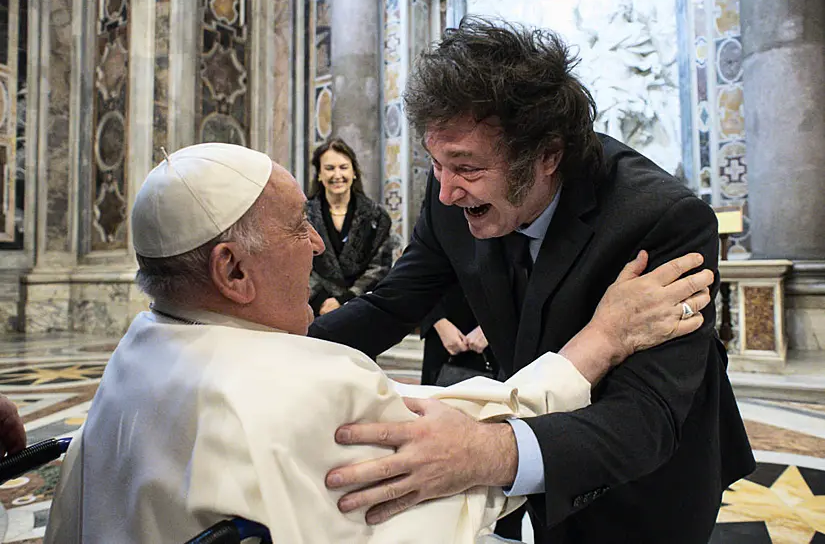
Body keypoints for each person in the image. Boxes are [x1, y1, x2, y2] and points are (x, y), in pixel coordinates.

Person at [44, 143, 711, 544]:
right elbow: (461, 453)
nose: (313, 245)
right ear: (232, 270)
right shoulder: (310, 384)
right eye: (294, 229)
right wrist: (600, 338)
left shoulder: (138, 346)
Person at [309, 18, 755, 543]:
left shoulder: (660, 220)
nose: (447, 192)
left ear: (547, 156)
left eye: (466, 168)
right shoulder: (451, 194)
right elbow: (391, 307)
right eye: (435, 164)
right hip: (537, 466)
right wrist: (270, 350)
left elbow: (645, 417)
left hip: (646, 483)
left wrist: (484, 451)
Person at [307, 137, 393, 316]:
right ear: (320, 174)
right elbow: (296, 262)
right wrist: (321, 300)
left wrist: (345, 300)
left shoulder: (377, 217)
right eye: (329, 168)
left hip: (361, 311)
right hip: (313, 311)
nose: (337, 175)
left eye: (343, 167)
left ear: (354, 172)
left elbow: (380, 268)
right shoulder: (302, 215)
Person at [420, 285, 495, 386]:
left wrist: (492, 325)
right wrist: (438, 321)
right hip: (442, 331)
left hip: (499, 332)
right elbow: (417, 281)